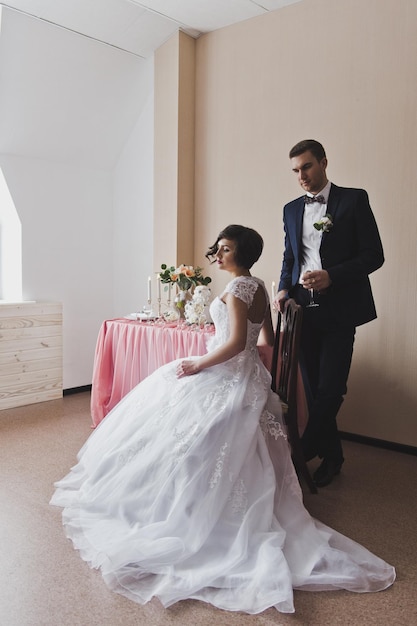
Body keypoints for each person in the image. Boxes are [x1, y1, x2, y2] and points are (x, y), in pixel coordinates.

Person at [51, 224, 394, 615]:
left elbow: (232, 344)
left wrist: (200, 360)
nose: (218, 253)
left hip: (231, 373)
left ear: (240, 253)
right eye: (219, 247)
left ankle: (174, 498)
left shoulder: (236, 289)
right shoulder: (260, 286)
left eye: (225, 248)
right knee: (172, 407)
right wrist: (241, 360)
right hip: (247, 376)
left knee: (175, 407)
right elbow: (263, 341)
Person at [274, 140, 384, 488]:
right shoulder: (291, 209)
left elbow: (373, 255)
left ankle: (303, 451)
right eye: (295, 170)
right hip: (300, 310)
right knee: (312, 387)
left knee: (331, 387)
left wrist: (331, 275)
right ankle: (333, 457)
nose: (301, 176)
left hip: (340, 308)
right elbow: (290, 256)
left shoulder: (353, 200)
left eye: (306, 167)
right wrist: (281, 287)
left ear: (323, 162)